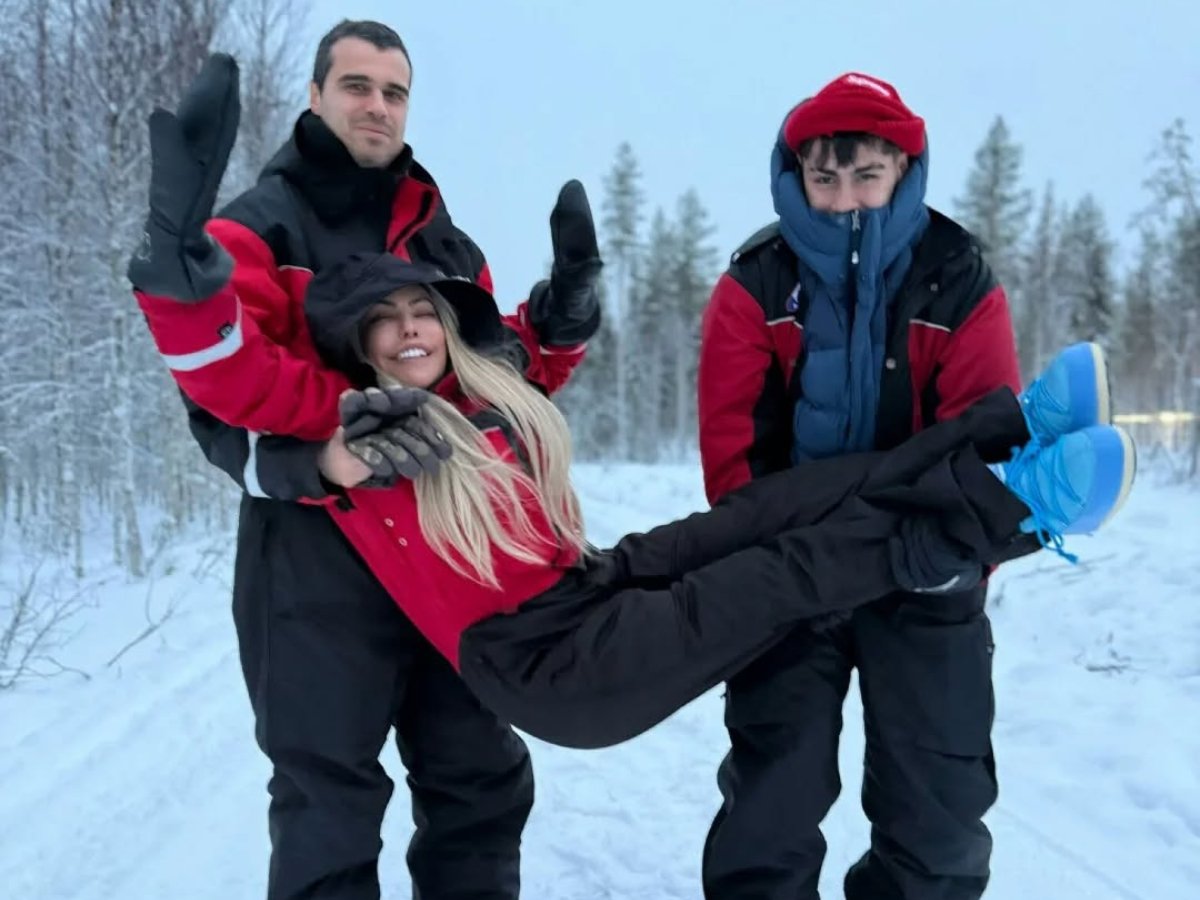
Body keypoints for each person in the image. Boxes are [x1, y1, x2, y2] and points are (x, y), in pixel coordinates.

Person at [139, 246, 1136, 754]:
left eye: (420, 312)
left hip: (588, 589)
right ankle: (1020, 510)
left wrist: (568, 288)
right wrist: (185, 283)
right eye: (383, 322)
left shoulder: (480, 397)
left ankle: (1003, 433)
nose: (408, 332)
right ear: (356, 345)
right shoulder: (352, 429)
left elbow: (538, 344)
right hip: (546, 669)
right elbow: (236, 391)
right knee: (779, 572)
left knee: (776, 507)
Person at [126, 27, 601, 900]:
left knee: (479, 784)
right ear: (315, 97)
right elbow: (224, 384)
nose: (377, 105)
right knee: (327, 803)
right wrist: (344, 438)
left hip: (453, 552)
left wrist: (557, 328)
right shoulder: (261, 224)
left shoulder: (444, 244)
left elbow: (487, 382)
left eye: (394, 90)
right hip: (315, 564)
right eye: (356, 85)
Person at [695, 71, 1047, 898]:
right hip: (790, 575)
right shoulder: (754, 283)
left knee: (941, 812)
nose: (844, 196)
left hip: (925, 568)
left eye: (865, 174)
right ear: (797, 175)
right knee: (769, 805)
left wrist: (958, 549)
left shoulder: (958, 276)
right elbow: (733, 449)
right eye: (824, 176)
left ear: (902, 168)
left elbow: (987, 431)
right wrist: (767, 558)